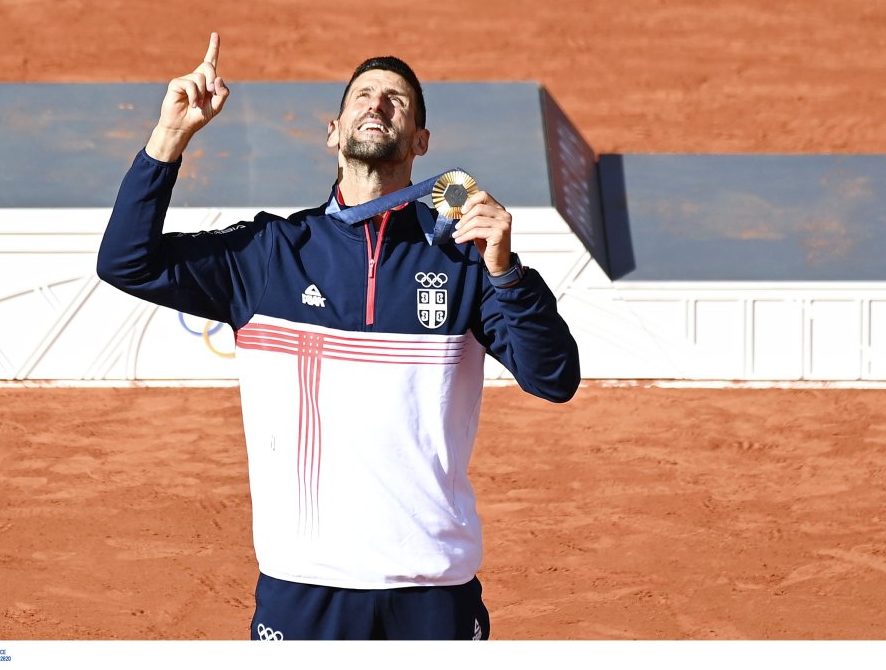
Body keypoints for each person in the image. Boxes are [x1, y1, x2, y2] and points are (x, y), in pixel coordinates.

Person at [97, 33, 581, 640]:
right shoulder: (270, 254)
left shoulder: (465, 260)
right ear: (333, 130)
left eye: (396, 100)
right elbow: (127, 262)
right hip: (304, 586)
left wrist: (506, 273)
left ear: (421, 142)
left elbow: (554, 378)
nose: (377, 105)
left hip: (433, 587)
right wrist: (169, 137)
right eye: (363, 96)